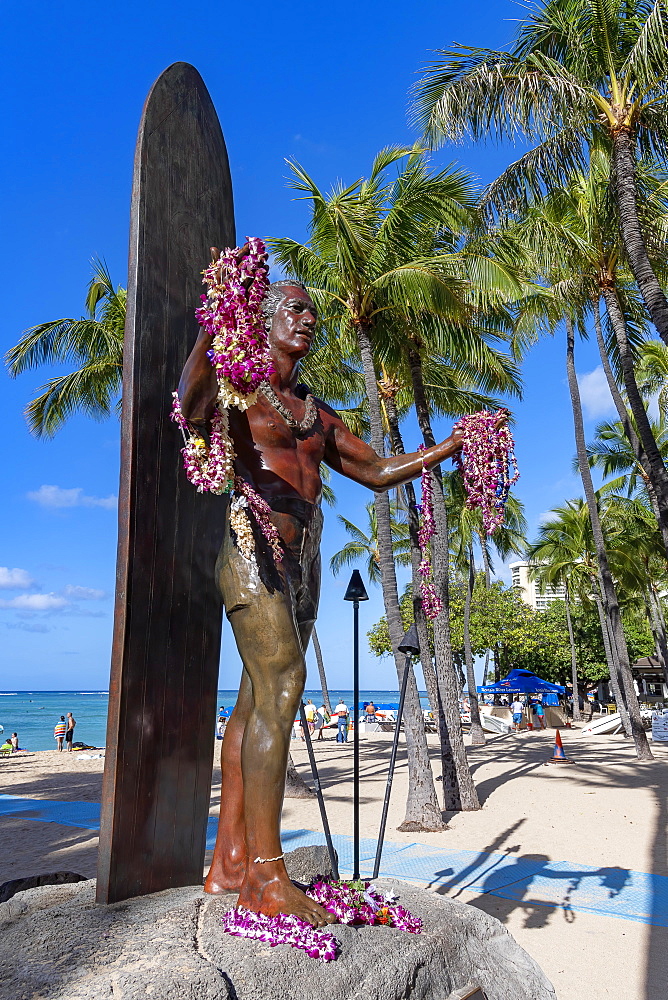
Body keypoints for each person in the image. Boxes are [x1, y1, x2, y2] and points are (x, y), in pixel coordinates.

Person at [180, 254, 494, 927]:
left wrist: (452, 448)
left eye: (310, 309)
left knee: (254, 704)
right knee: (286, 686)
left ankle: (230, 861)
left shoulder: (315, 414)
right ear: (259, 322)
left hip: (304, 566)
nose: (308, 318)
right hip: (251, 552)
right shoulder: (238, 392)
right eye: (293, 308)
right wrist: (215, 318)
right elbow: (189, 404)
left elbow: (378, 471)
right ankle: (266, 879)